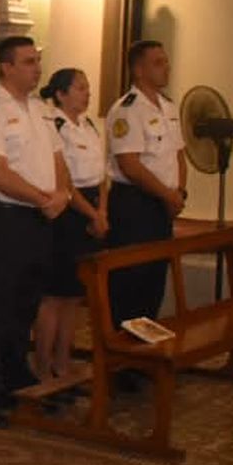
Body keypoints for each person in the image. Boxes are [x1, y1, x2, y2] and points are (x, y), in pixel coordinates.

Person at [0, 36, 72, 428]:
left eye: (38, 61)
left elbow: (58, 158)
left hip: (39, 219)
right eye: (28, 62)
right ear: (6, 67)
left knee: (27, 303)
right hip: (5, 219)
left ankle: (15, 377)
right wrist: (43, 198)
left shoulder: (42, 110)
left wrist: (60, 193)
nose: (37, 68)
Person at [105, 40, 186, 327]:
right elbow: (130, 165)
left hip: (162, 205)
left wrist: (179, 193)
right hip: (134, 205)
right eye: (158, 62)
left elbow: (178, 153)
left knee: (154, 279)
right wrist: (167, 195)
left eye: (166, 61)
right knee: (130, 281)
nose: (167, 68)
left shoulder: (168, 107)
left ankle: (145, 354)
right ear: (139, 70)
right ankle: (123, 359)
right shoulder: (127, 110)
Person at [36, 68, 108, 382]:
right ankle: (42, 365)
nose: (87, 93)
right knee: (55, 294)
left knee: (74, 296)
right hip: (68, 212)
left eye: (88, 87)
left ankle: (63, 362)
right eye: (80, 88)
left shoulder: (89, 125)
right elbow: (64, 181)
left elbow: (101, 174)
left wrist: (102, 210)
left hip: (93, 208)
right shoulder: (57, 126)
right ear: (61, 94)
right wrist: (92, 215)